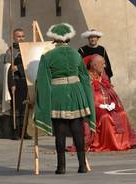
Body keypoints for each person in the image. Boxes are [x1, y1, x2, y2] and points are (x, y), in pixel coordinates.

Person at [34, 23, 96, 174]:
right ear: (68, 38)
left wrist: (39, 101)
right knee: (77, 130)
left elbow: (43, 81)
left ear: (54, 39)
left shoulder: (47, 56)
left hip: (58, 94)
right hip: (76, 93)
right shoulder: (76, 54)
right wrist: (87, 98)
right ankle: (82, 166)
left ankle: (61, 167)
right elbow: (84, 78)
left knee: (60, 131)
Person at [81, 54, 136, 151]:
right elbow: (86, 98)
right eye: (102, 64)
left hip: (108, 106)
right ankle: (108, 144)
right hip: (94, 108)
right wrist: (101, 105)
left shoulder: (103, 76)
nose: (105, 66)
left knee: (122, 114)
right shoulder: (87, 78)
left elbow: (110, 92)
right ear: (94, 66)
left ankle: (123, 143)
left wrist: (112, 103)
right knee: (105, 117)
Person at [4, 28, 32, 140]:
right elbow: (8, 69)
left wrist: (19, 67)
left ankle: (24, 132)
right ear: (14, 37)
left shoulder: (27, 50)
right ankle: (15, 132)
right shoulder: (10, 51)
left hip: (26, 81)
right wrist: (11, 84)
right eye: (18, 36)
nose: (21, 38)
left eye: (22, 36)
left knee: (25, 108)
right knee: (16, 108)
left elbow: (30, 64)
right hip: (15, 82)